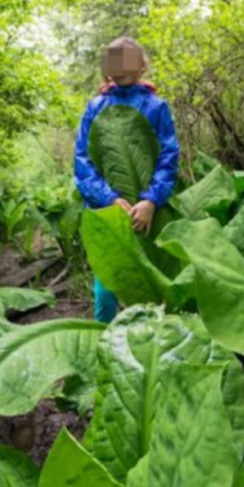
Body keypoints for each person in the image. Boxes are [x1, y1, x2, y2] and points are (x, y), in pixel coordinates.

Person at [74, 37, 179, 323]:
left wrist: (151, 200)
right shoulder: (96, 107)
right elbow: (82, 162)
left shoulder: (156, 107)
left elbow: (169, 158)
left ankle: (150, 340)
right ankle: (104, 338)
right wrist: (107, 199)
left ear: (142, 65)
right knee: (106, 284)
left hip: (148, 212)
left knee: (149, 278)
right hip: (108, 209)